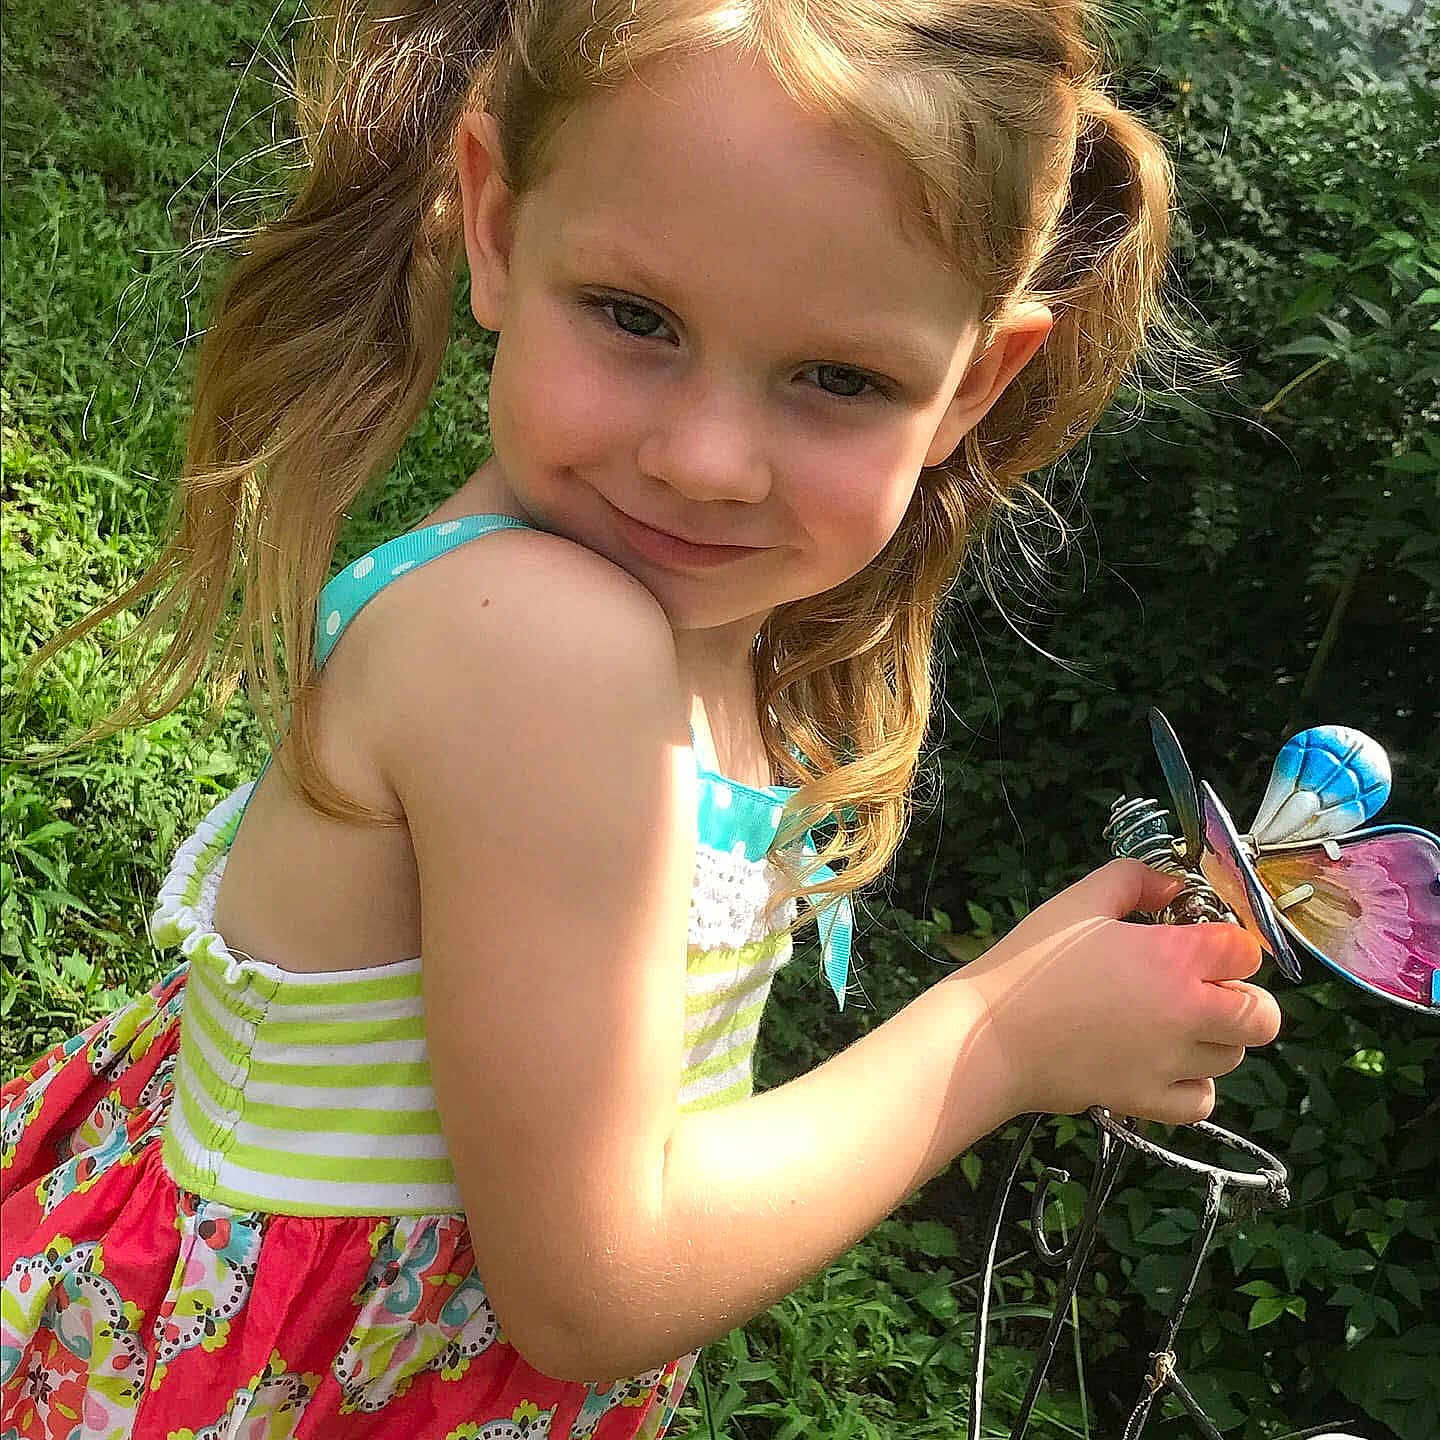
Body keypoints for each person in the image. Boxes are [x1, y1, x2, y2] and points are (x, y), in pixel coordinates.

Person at [0, 0, 1284, 1435]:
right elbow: (591, 1293)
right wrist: (998, 1036)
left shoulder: (706, 635)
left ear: (973, 384)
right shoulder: (545, 644)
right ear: (494, 227)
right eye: (635, 318)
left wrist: (1048, 974)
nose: (707, 460)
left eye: (841, 379)